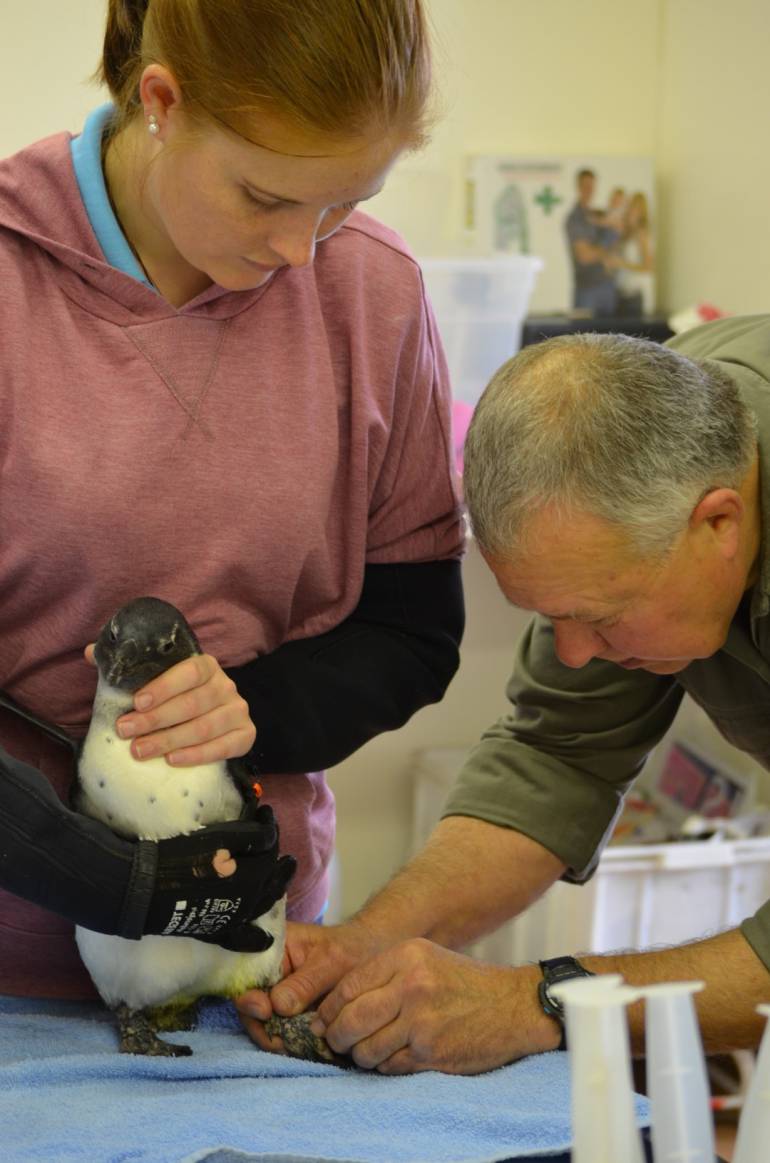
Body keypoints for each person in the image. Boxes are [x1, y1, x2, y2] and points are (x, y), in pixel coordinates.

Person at [0, 0, 464, 1000]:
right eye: (264, 196)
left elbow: (410, 632)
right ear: (159, 100)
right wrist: (85, 868)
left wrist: (246, 711)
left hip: (253, 956)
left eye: (342, 202)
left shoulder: (372, 292)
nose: (302, 253)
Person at [238, 316, 770, 1074]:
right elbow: (558, 757)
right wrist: (367, 943)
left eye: (600, 617)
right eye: (554, 619)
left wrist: (536, 1003)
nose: (576, 653)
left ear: (720, 522)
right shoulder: (651, 435)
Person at [563, 168, 620, 316]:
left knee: (610, 337)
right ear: (578, 187)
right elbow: (585, 257)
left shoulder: (598, 215)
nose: (589, 190)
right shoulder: (575, 219)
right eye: (585, 186)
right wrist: (608, 248)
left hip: (607, 288)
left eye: (592, 186)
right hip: (588, 290)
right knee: (584, 336)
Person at [616, 190, 655, 316]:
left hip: (637, 294)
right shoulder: (628, 235)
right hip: (624, 292)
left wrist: (621, 263)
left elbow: (648, 266)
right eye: (631, 207)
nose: (632, 212)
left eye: (636, 208)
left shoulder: (642, 234)